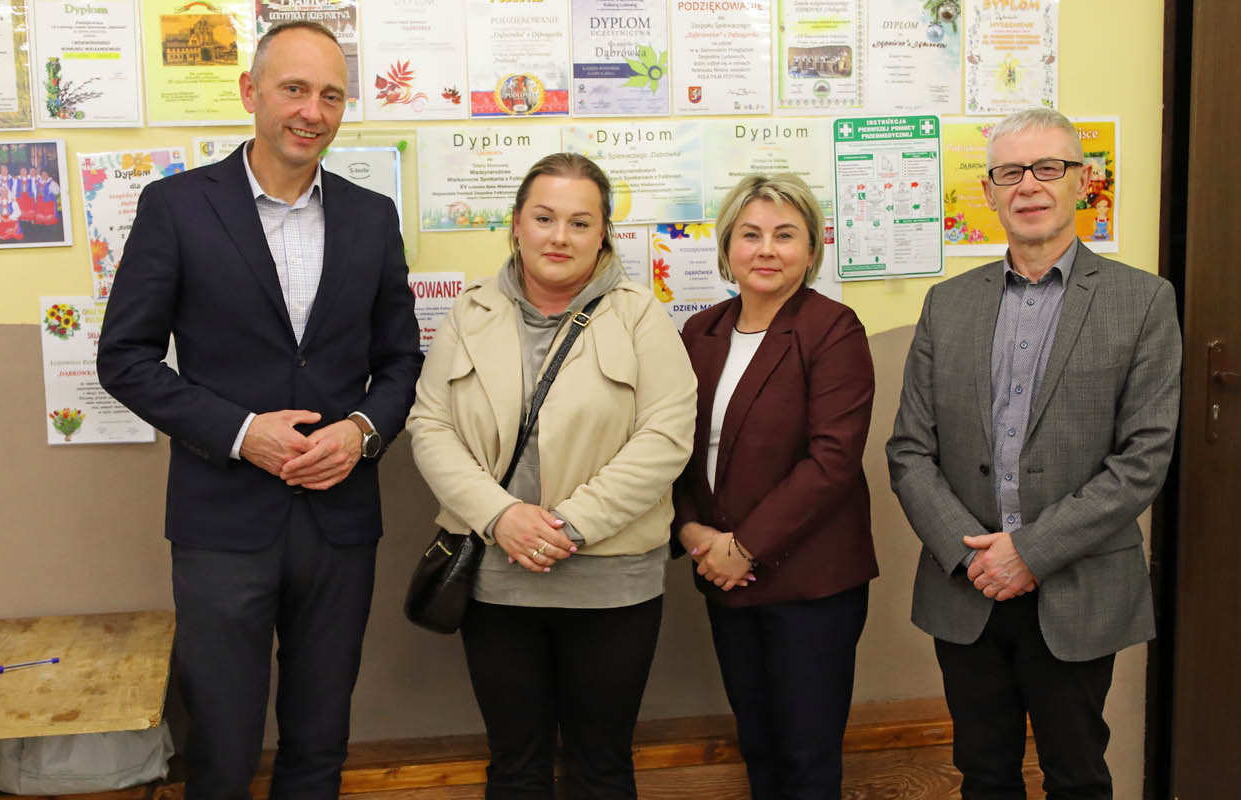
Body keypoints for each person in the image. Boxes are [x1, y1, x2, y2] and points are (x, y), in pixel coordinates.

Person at [96, 20, 421, 800]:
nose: (313, 111)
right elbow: (125, 358)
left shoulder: (372, 217)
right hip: (222, 523)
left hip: (339, 521)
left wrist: (361, 432)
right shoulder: (177, 207)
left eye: (331, 96)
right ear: (251, 92)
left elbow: (401, 361)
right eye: (294, 89)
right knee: (222, 745)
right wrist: (243, 434)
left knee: (320, 740)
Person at [886, 107, 1182, 799]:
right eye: (1010, 172)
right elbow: (909, 450)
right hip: (967, 588)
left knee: (1076, 777)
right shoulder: (947, 304)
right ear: (989, 192)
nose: (1029, 185)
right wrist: (974, 558)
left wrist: (1030, 552)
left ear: (1082, 181)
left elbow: (1143, 459)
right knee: (983, 775)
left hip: (1076, 588)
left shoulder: (1142, 301)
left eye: (1048, 167)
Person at [406, 152, 697, 799]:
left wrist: (567, 526)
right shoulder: (470, 313)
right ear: (516, 224)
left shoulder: (640, 316)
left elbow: (665, 438)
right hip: (497, 578)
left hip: (612, 583)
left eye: (579, 222)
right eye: (544, 218)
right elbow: (430, 425)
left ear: (603, 234)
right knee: (516, 767)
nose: (559, 237)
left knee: (601, 767)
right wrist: (501, 516)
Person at [671, 174, 878, 800]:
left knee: (806, 760)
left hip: (811, 584)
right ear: (726, 247)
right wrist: (691, 530)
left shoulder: (832, 328)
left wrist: (744, 547)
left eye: (785, 235)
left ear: (811, 250)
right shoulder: (698, 333)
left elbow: (832, 460)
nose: (766, 250)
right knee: (758, 747)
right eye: (750, 234)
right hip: (722, 575)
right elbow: (671, 447)